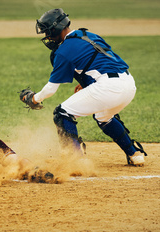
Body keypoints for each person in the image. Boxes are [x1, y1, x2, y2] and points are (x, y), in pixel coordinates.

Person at [22, 8, 147, 166]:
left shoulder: (63, 51)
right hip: (128, 84)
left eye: (48, 32)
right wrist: (86, 83)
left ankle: (76, 161)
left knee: (62, 113)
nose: (47, 37)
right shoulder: (88, 35)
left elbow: (51, 89)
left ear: (56, 29)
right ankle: (134, 154)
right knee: (104, 117)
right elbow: (103, 59)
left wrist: (34, 98)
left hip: (108, 87)